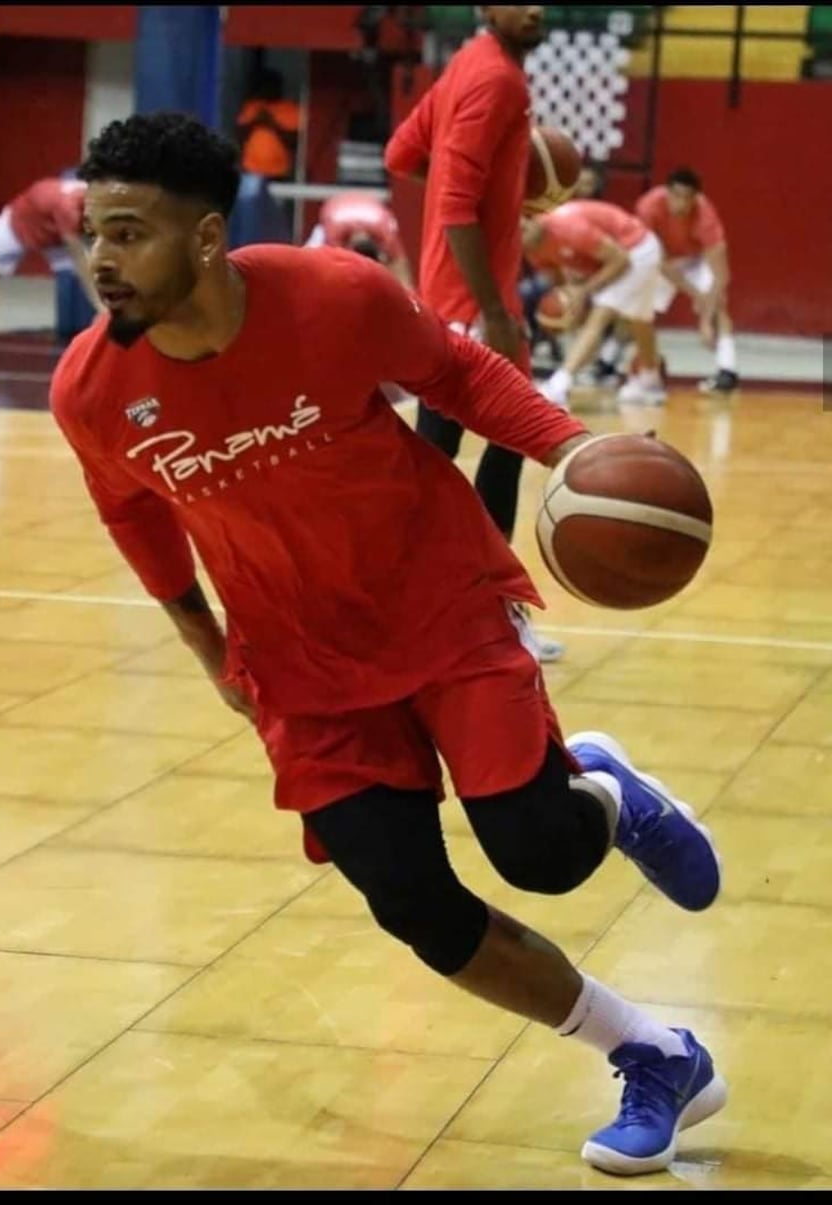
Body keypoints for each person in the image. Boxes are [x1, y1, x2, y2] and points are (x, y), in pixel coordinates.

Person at [49, 111, 726, 1178]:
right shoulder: (90, 390)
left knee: (540, 853)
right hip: (302, 667)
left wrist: (575, 448)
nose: (101, 259)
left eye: (129, 233)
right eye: (92, 231)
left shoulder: (333, 295)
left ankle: (602, 789)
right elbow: (134, 516)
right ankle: (651, 1050)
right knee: (415, 904)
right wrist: (204, 645)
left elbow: (459, 377)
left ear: (209, 235)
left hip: (437, 605)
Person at [384, 6, 563, 663]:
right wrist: (492, 309)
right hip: (471, 304)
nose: (535, 8)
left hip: (444, 298)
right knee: (509, 445)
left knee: (431, 461)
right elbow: (456, 203)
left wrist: (486, 196)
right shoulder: (497, 81)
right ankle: (495, 615)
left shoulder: (466, 63)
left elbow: (401, 154)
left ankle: (407, 604)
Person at [523, 200, 666, 407]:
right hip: (623, 255)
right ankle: (650, 383)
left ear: (537, 218)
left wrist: (583, 293)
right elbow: (560, 282)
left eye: (527, 221)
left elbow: (620, 259)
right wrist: (568, 303)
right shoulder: (531, 248)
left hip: (637, 249)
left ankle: (559, 385)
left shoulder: (568, 228)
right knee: (640, 320)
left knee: (599, 317)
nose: (524, 228)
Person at [636, 168, 738, 394]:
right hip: (662, 263)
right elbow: (659, 263)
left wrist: (705, 318)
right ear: (666, 193)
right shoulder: (648, 207)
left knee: (719, 303)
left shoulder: (706, 216)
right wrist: (697, 295)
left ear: (696, 198)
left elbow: (722, 275)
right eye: (676, 196)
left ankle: (727, 371)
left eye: (687, 198)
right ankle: (612, 362)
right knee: (636, 307)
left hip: (695, 259)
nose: (681, 203)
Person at [0, 175, 101, 312]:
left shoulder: (92, 192)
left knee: (68, 274)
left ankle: (70, 327)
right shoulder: (67, 208)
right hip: (18, 224)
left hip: (55, 236)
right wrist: (99, 305)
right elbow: (80, 260)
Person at [304, 191, 414, 287]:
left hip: (348, 208)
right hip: (336, 215)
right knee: (311, 264)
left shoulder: (386, 232)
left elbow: (399, 263)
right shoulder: (333, 233)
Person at [235, 66, 302, 181]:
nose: (267, 90)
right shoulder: (252, 106)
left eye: (271, 86)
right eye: (264, 86)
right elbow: (240, 135)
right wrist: (255, 122)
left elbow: (295, 140)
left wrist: (272, 123)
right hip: (251, 170)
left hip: (279, 172)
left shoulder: (290, 109)